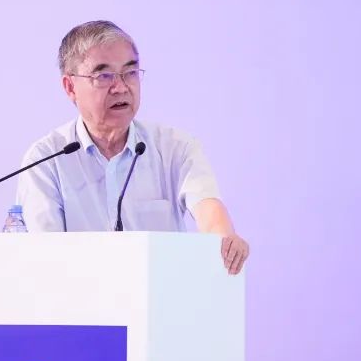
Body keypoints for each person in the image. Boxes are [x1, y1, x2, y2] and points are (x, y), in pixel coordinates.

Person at [15, 20, 249, 275]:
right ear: (70, 87)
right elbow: (45, 257)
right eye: (104, 76)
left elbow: (209, 209)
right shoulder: (46, 160)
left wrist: (225, 241)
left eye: (130, 72)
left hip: (160, 296)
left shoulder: (175, 148)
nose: (121, 87)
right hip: (78, 296)